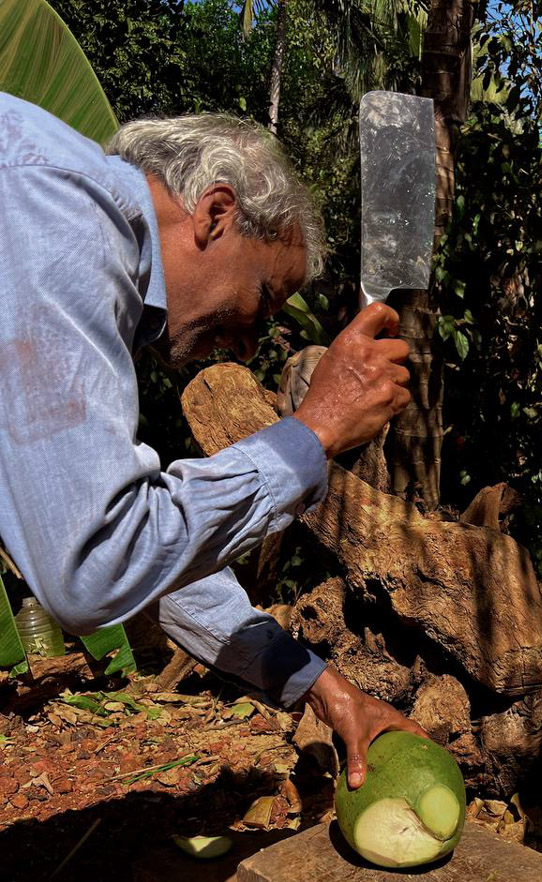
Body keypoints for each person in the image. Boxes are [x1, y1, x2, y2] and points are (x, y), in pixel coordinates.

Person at [0, 93, 425, 786]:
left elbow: (144, 552)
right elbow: (97, 564)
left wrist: (322, 688)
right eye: (264, 298)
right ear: (216, 213)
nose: (252, 346)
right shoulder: (63, 213)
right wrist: (312, 432)